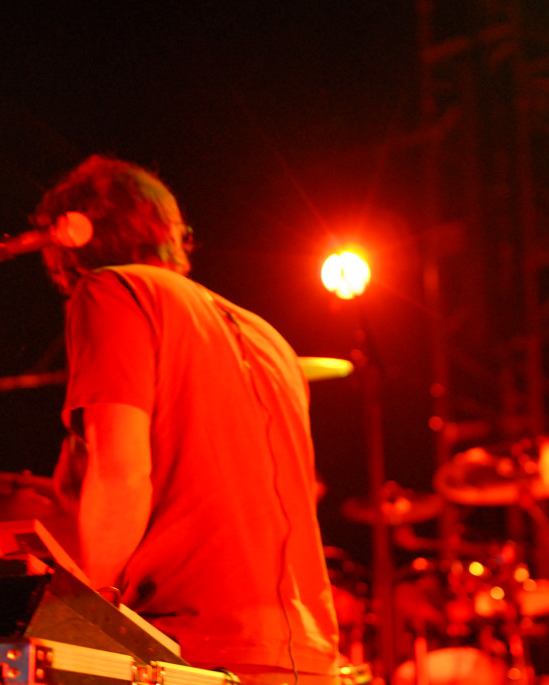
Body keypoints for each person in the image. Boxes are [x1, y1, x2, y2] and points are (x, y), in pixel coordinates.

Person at [37, 155, 340, 682]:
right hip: (304, 654)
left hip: (194, 647)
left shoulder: (112, 290)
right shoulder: (270, 338)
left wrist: (87, 615)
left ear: (67, 236)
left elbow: (121, 471)